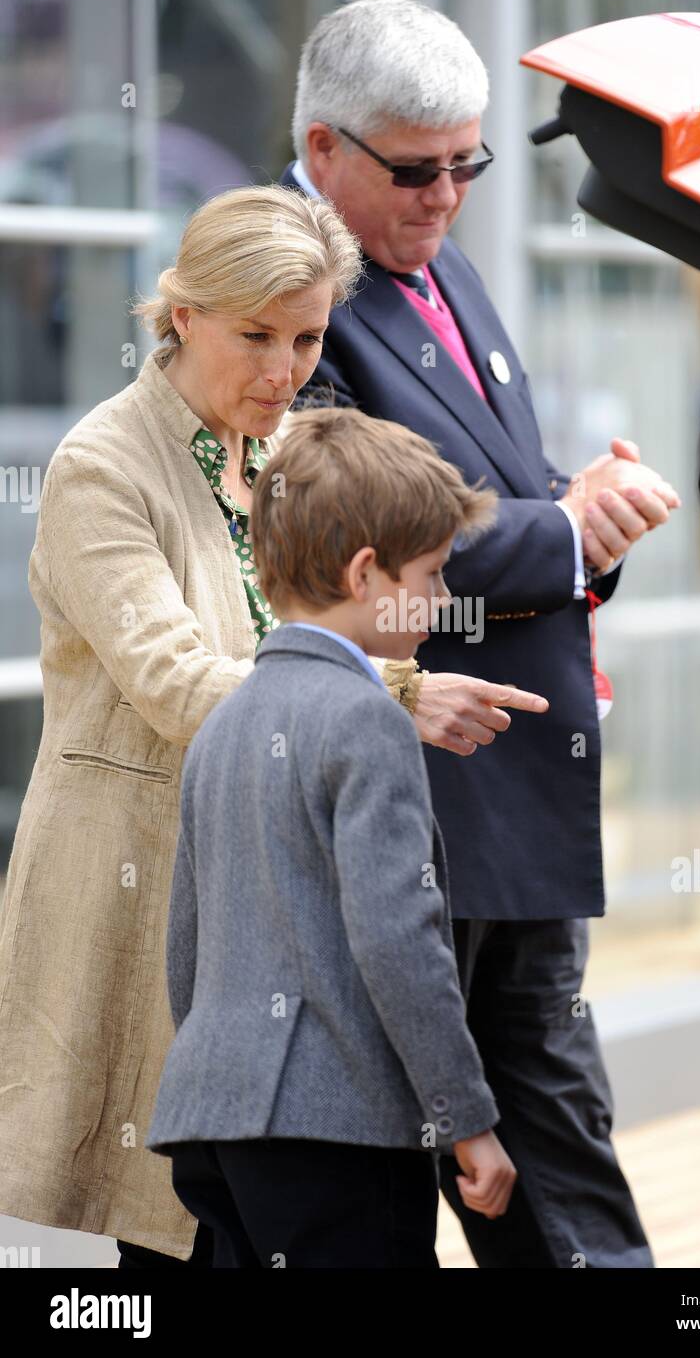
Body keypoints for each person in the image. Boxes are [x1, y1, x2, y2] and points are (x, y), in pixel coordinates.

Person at [0, 184, 544, 1267]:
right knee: (171, 1233)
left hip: (274, 915)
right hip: (139, 881)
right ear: (183, 310)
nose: (284, 368)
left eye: (308, 337)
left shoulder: (299, 448)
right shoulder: (101, 466)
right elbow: (174, 679)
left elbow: (377, 592)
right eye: (257, 335)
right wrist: (392, 696)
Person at [282, 0, 682, 1268]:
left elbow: (492, 487)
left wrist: (586, 510)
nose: (447, 195)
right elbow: (356, 557)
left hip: (516, 800)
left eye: (470, 162)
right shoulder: (289, 289)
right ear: (324, 144)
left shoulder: (425, 251)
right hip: (419, 804)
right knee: (471, 1172)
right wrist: (565, 532)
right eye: (416, 168)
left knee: (561, 1161)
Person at [145, 408, 517, 1268]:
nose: (443, 600)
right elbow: (400, 944)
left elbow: (187, 949)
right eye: (430, 575)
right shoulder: (367, 720)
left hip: (216, 1123)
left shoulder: (223, 724)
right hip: (337, 1126)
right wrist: (468, 1121)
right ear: (366, 575)